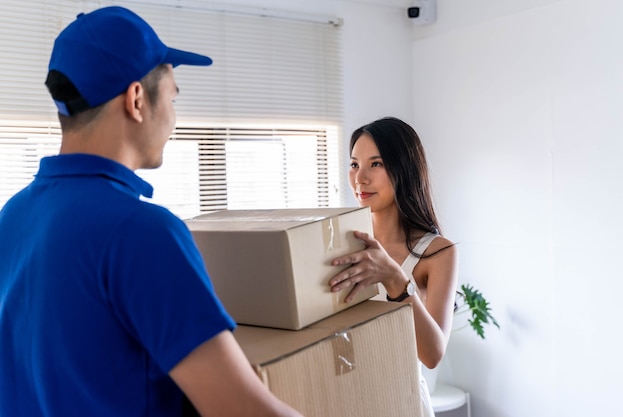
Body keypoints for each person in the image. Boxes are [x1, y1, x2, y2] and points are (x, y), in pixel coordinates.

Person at [0, 6, 303, 417]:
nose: (175, 119)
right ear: (137, 100)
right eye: (174, 97)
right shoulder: (141, 232)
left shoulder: (12, 216)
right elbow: (243, 410)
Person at [328, 117, 458, 417]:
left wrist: (395, 278)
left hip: (403, 401)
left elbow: (432, 354)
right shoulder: (341, 246)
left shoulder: (438, 252)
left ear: (404, 169)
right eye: (354, 164)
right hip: (345, 400)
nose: (360, 178)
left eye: (376, 164)